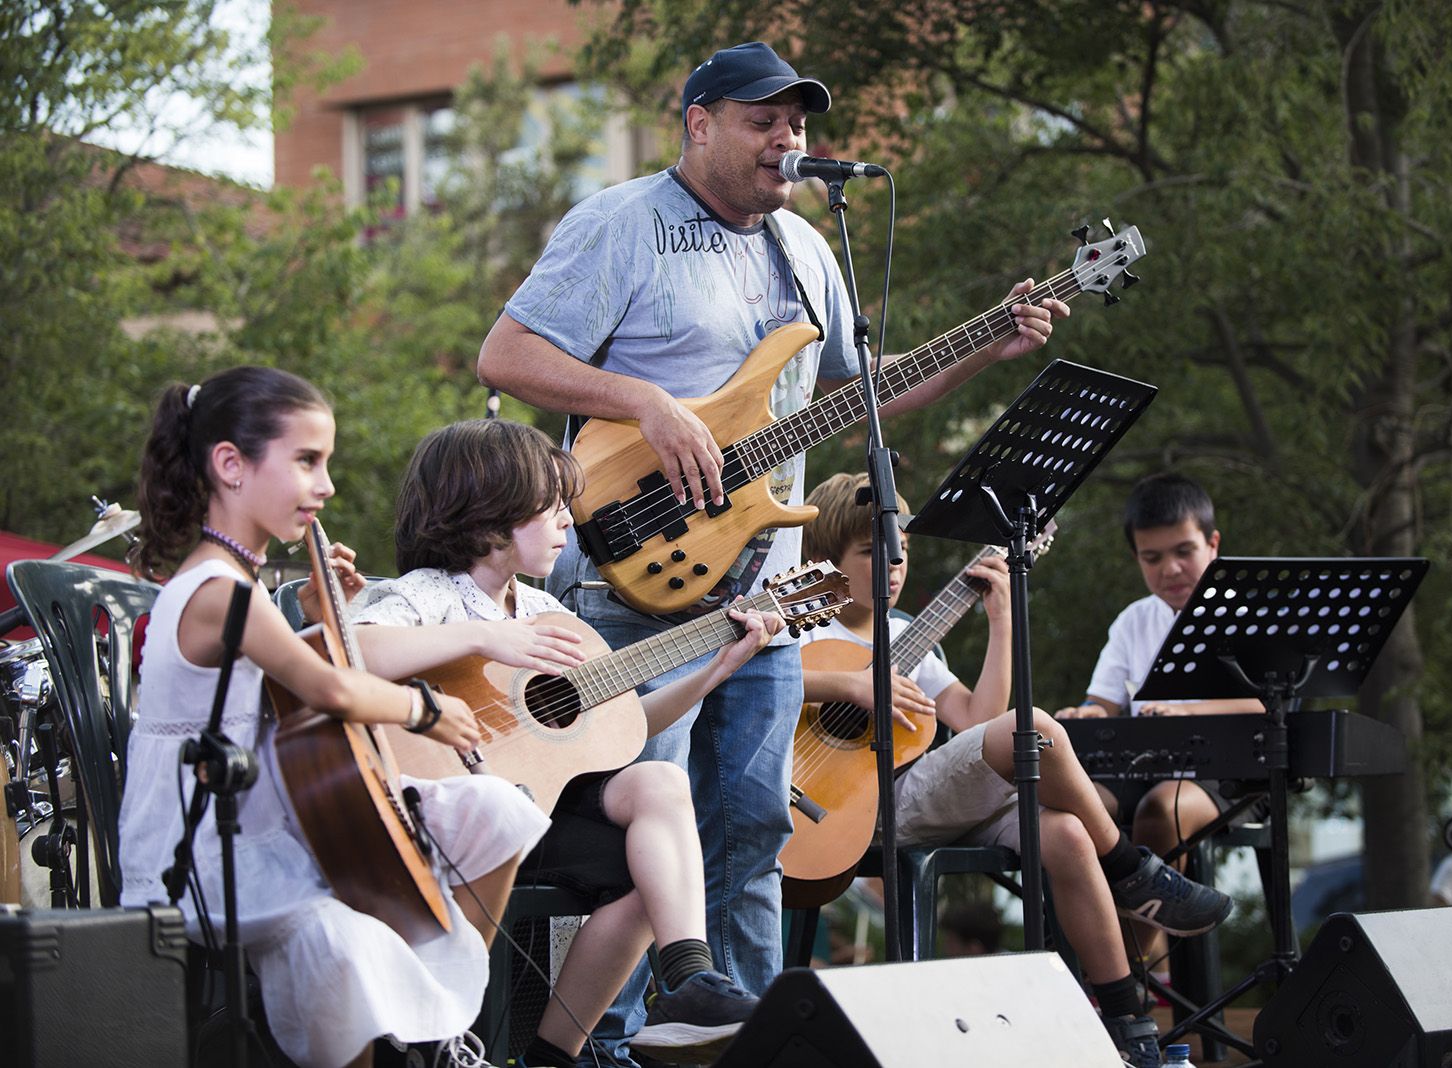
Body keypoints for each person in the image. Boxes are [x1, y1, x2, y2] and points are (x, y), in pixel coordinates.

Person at [475, 39, 1070, 1060]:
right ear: (698, 123)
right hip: (630, 578)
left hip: (763, 593)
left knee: (754, 824)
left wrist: (984, 348)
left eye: (796, 122)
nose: (786, 138)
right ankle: (610, 1045)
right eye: (763, 120)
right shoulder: (621, 222)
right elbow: (506, 355)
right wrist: (646, 403)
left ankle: (741, 1040)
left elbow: (857, 393)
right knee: (638, 836)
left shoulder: (805, 247)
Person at [118, 366, 545, 1068]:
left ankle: (436, 1034)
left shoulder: (240, 583)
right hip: (200, 848)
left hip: (264, 811)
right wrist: (425, 707)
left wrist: (326, 618)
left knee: (496, 812)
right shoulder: (221, 589)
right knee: (345, 942)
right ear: (231, 465)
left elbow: (279, 689)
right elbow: (329, 692)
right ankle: (396, 1036)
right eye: (307, 462)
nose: (326, 486)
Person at [346, 419, 782, 1067]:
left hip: (532, 816)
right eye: (550, 506)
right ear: (489, 511)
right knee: (647, 838)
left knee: (656, 807)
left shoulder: (548, 616)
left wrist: (715, 670)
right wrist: (483, 638)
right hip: (440, 818)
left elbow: (625, 724)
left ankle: (669, 989)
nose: (567, 522)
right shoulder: (428, 594)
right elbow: (350, 651)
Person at [799, 472, 1233, 1067]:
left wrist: (1000, 621)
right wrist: (848, 685)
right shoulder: (805, 631)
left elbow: (979, 721)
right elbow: (760, 688)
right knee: (1034, 726)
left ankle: (1127, 1024)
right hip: (851, 807)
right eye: (873, 553)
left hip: (923, 799)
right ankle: (1130, 869)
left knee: (1066, 833)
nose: (893, 567)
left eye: (900, 552)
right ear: (826, 561)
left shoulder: (907, 636)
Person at [1056, 472, 1263, 971]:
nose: (1170, 569)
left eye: (1184, 551)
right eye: (1152, 558)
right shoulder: (1134, 620)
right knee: (1070, 811)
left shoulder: (1241, 613)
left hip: (1227, 774)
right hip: (1143, 767)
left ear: (1213, 544)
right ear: (1137, 559)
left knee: (1160, 809)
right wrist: (1086, 713)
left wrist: (1186, 711)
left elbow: (1263, 706)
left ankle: (1125, 970)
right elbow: (1103, 702)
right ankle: (1074, 956)